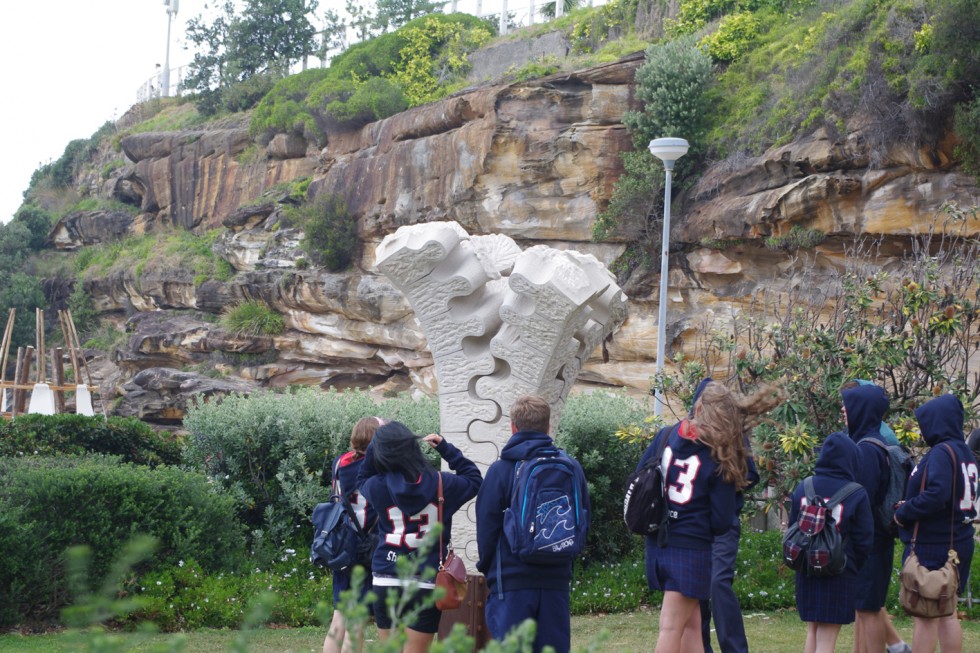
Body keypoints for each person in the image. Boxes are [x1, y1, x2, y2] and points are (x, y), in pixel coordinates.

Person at [638, 381, 781, 653]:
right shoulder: (719, 453)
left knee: (693, 626)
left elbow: (640, 477)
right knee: (671, 627)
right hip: (691, 549)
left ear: (698, 406)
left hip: (658, 543)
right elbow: (722, 520)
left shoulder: (666, 435)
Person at [475, 394, 591, 653]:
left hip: (512, 580)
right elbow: (584, 519)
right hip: (556, 578)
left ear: (513, 426)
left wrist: (489, 569)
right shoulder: (571, 466)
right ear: (548, 427)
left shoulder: (501, 470)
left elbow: (486, 526)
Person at [357, 421, 482, 653]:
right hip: (425, 581)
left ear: (381, 452)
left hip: (387, 577)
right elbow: (474, 478)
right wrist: (446, 449)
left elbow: (362, 476)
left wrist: (377, 441)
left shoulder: (376, 486)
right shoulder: (444, 484)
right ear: (412, 449)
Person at [894, 394, 979, 653]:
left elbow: (937, 495)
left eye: (925, 422)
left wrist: (904, 512)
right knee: (947, 612)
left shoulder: (942, 452)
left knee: (927, 614)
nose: (922, 429)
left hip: (935, 543)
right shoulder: (964, 451)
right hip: (959, 539)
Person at [840, 381, 912, 653]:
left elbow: (863, 499)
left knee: (869, 610)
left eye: (848, 406)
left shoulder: (868, 449)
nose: (844, 411)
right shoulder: (867, 442)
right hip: (870, 541)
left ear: (861, 409)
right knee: (863, 607)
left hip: (870, 542)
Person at [788, 432, 874, 653]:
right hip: (839, 570)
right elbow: (864, 539)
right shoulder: (857, 493)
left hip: (807, 569)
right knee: (827, 638)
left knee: (813, 631)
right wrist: (853, 565)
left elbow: (792, 527)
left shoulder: (803, 486)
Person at [696, 379, 763, 653]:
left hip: (723, 525)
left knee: (718, 584)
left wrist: (729, 484)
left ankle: (734, 649)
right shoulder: (688, 436)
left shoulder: (732, 434)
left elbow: (752, 474)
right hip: (695, 526)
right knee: (696, 592)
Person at [324, 416, 383, 653]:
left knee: (339, 615)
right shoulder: (378, 466)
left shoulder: (340, 462)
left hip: (342, 543)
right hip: (368, 544)